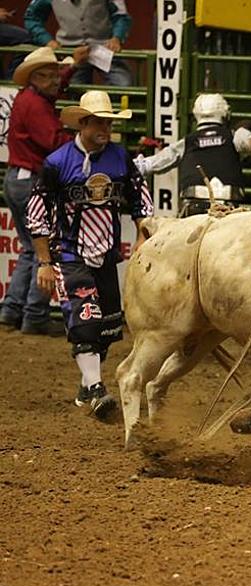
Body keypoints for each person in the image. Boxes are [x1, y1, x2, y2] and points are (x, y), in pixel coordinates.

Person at [27, 90, 153, 419]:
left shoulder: (120, 158)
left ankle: (87, 383)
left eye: (108, 122)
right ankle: (97, 390)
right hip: (70, 254)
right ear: (82, 123)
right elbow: (37, 213)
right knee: (86, 321)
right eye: (98, 121)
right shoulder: (57, 163)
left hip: (107, 255)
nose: (105, 127)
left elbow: (140, 198)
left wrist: (143, 233)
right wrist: (44, 262)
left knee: (108, 328)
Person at [0, 46, 87, 335]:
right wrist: (82, 140)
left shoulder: (29, 98)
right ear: (35, 78)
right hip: (31, 182)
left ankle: (12, 310)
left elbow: (55, 84)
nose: (55, 81)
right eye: (48, 76)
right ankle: (34, 315)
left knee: (29, 248)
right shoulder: (36, 105)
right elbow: (53, 140)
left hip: (18, 178)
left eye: (54, 75)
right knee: (44, 249)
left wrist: (72, 65)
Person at [134, 93, 251, 218]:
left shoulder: (186, 142)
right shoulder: (234, 135)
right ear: (225, 113)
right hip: (229, 211)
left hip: (193, 211)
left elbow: (151, 164)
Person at [24, 0, 133, 87]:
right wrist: (47, 40)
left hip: (104, 46)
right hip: (69, 48)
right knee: (73, 89)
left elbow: (121, 15)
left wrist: (117, 37)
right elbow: (31, 17)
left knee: (123, 84)